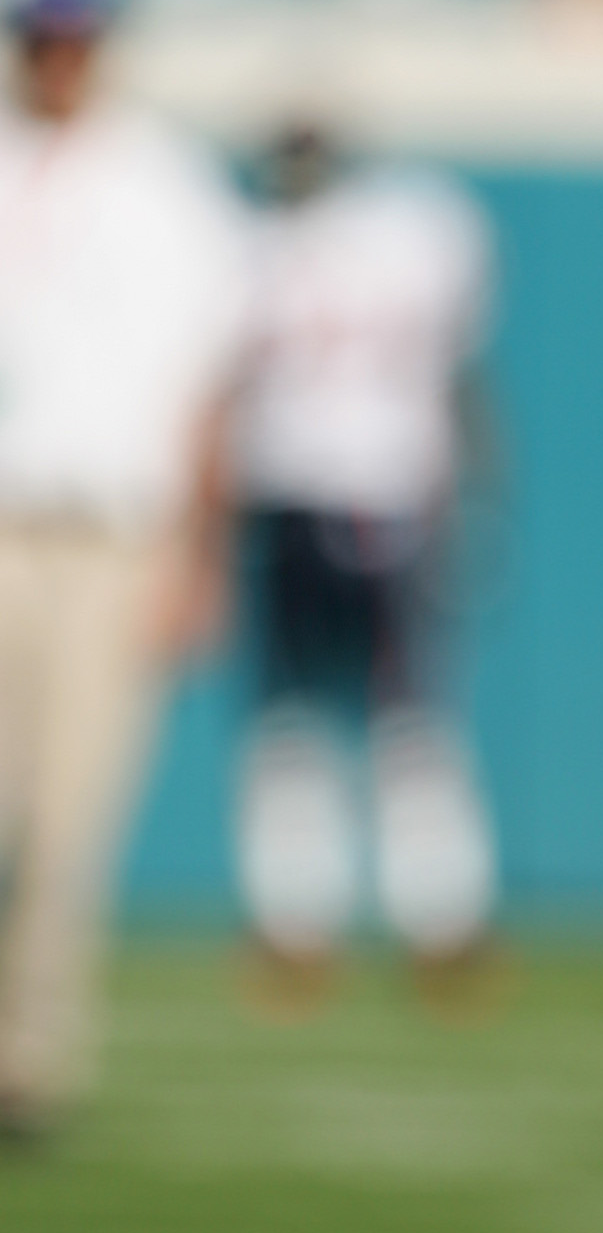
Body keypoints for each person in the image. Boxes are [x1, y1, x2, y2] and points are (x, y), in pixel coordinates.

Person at [0, 0, 250, 1137]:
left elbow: (212, 383)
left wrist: (198, 555)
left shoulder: (164, 185)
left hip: (109, 531)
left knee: (69, 814)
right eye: (42, 36)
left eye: (75, 36)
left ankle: (31, 1060)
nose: (58, 56)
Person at [230, 125, 498, 981]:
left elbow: (459, 376)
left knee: (407, 717)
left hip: (386, 498)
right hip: (286, 495)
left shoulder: (408, 231)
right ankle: (295, 923)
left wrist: (471, 497)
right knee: (292, 722)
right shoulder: (250, 245)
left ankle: (441, 918)